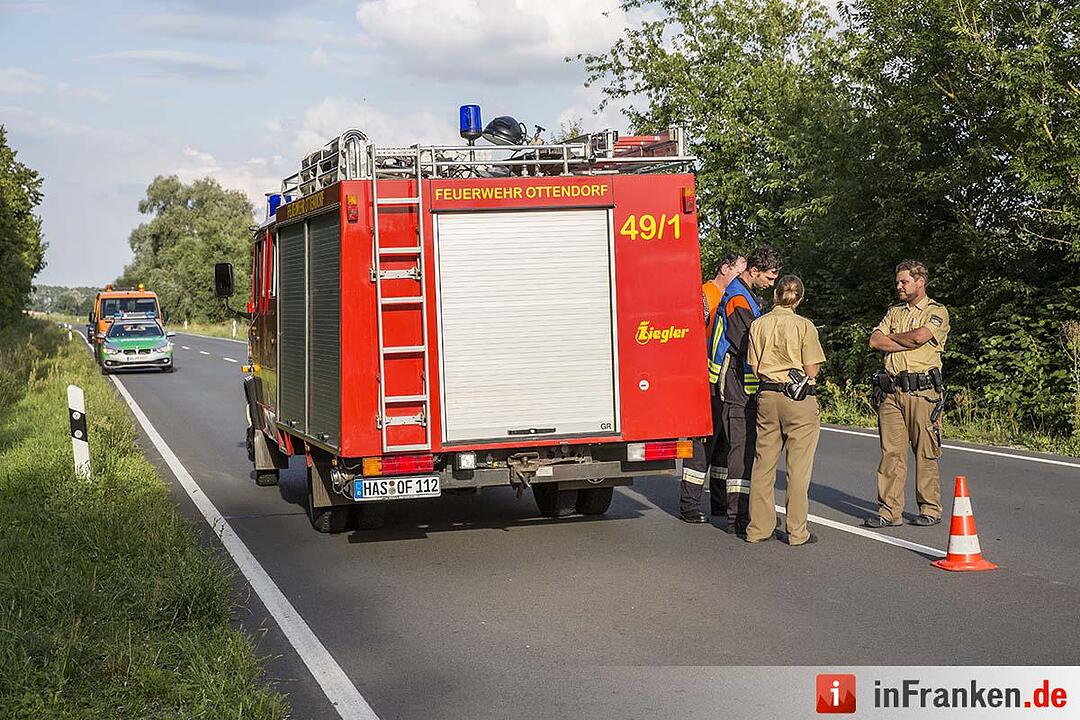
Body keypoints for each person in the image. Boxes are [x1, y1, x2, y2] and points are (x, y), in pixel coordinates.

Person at [864, 260, 951, 529]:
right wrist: (905, 339)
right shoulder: (894, 311)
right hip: (891, 390)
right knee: (891, 453)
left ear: (920, 281)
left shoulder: (936, 311)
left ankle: (929, 507)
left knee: (925, 451)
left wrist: (895, 339)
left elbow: (920, 337)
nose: (899, 286)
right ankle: (889, 511)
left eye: (905, 282)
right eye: (898, 281)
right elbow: (875, 340)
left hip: (922, 391)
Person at [744, 275, 825, 545]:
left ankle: (758, 528)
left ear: (775, 295)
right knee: (798, 467)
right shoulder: (805, 326)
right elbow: (812, 369)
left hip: (767, 395)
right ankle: (797, 531)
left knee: (763, 463)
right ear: (799, 298)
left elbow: (754, 368)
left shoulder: (758, 324)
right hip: (798, 399)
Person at [713, 245, 782, 534]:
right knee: (741, 449)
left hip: (740, 383)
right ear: (754, 271)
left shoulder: (746, 296)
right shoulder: (739, 299)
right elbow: (746, 346)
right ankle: (738, 517)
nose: (771, 284)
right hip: (736, 384)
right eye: (769, 277)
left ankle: (727, 507)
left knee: (734, 447)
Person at [680, 252, 746, 523]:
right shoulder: (705, 295)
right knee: (702, 445)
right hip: (703, 380)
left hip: (721, 381)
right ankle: (689, 505)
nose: (741, 278)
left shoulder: (733, 297)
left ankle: (718, 502)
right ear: (724, 268)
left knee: (722, 444)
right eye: (738, 271)